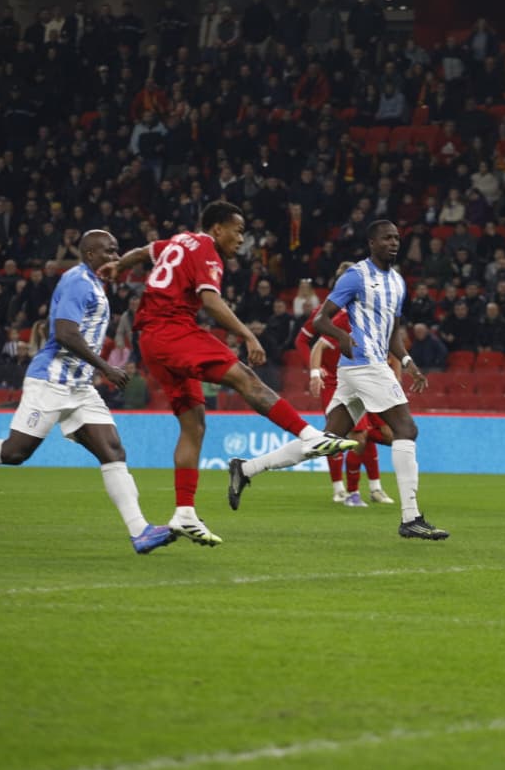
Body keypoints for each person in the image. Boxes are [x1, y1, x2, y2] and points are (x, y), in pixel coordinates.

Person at [0, 231, 177, 555]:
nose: (115, 256)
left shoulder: (95, 284)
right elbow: (66, 333)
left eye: (117, 251)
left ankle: (140, 531)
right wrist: (105, 368)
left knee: (113, 451)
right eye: (109, 251)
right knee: (14, 452)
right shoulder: (78, 281)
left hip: (79, 386)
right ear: (89, 254)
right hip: (51, 380)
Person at [102, 201, 355, 547]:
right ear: (217, 229)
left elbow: (145, 251)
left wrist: (120, 265)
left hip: (150, 340)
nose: (240, 239)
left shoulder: (178, 241)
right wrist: (248, 335)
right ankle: (309, 435)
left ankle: (184, 513)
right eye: (237, 231)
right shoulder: (206, 248)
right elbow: (210, 300)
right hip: (172, 330)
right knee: (245, 378)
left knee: (194, 424)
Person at [227, 220, 449, 540]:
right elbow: (320, 320)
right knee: (406, 429)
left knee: (325, 440)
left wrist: (407, 362)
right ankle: (411, 517)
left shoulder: (398, 282)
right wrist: (341, 335)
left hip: (361, 368)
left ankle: (246, 468)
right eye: (386, 238)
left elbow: (392, 334)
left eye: (396, 238)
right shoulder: (356, 276)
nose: (393, 243)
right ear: (371, 243)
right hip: (364, 364)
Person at [293, 260, 396, 507]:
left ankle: (375, 488)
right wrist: (316, 371)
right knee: (341, 435)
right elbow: (303, 342)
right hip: (334, 381)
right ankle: (341, 489)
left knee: (373, 434)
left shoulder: (364, 312)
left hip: (361, 378)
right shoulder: (326, 315)